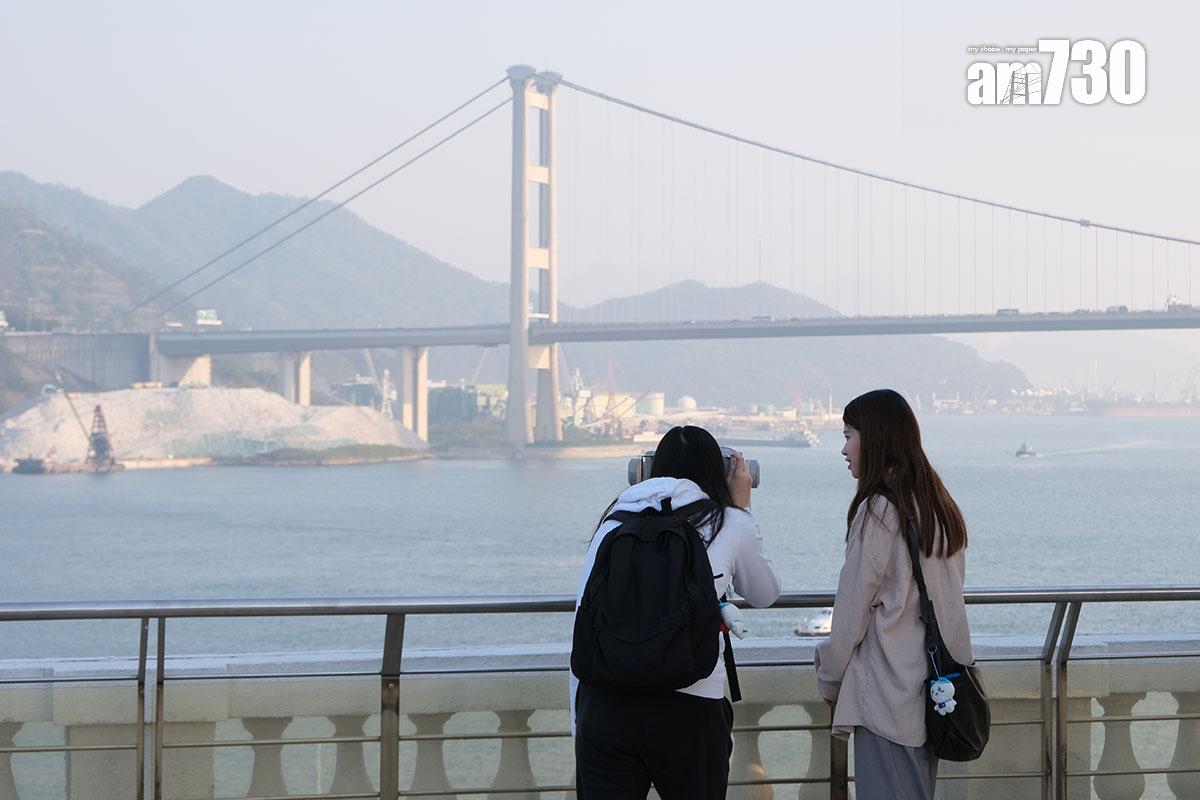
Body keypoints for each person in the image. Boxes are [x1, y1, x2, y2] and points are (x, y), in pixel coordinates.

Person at [571, 425, 781, 800]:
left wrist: (581, 720)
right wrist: (741, 509)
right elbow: (765, 594)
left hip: (606, 707)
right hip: (693, 706)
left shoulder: (613, 525)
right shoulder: (728, 522)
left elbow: (584, 620)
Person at [814, 389, 974, 800]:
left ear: (876, 438)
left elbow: (851, 611)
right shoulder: (936, 506)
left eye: (849, 435)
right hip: (936, 691)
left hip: (888, 697)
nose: (844, 449)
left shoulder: (879, 511)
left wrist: (830, 678)